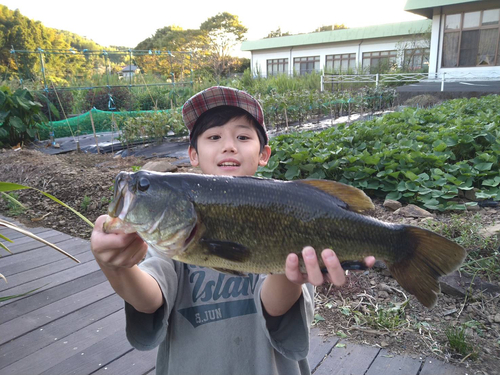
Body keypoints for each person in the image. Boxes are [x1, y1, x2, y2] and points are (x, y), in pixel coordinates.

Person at [90, 86, 375, 375]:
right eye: (213, 137)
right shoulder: (168, 238)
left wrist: (293, 276)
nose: (229, 146)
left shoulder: (285, 208)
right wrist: (116, 267)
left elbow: (276, 307)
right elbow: (150, 300)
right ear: (193, 154)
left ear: (263, 154)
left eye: (242, 136)